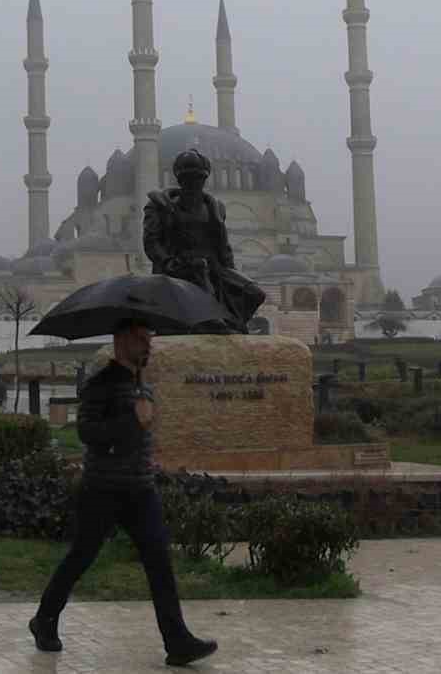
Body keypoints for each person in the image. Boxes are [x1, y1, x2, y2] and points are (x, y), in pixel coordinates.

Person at [30, 320, 217, 667]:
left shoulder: (141, 382)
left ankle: (177, 641)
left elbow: (142, 433)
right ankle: (44, 619)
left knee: (159, 560)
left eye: (150, 339)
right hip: (102, 489)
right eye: (141, 339)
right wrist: (134, 422)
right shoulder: (99, 384)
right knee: (81, 556)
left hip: (140, 489)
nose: (148, 345)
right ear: (121, 341)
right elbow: (88, 432)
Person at [143, 148, 266, 331]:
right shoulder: (159, 206)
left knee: (254, 293)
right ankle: (213, 322)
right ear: (180, 179)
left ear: (204, 178)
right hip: (179, 266)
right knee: (200, 272)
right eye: (188, 178)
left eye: (198, 178)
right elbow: (151, 242)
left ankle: (234, 324)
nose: (193, 183)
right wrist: (169, 262)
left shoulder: (214, 208)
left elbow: (223, 246)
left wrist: (230, 272)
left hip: (213, 266)